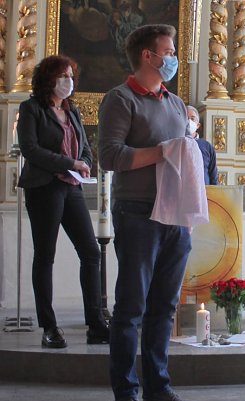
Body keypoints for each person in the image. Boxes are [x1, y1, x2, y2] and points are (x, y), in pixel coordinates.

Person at [98, 24, 192, 401]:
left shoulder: (175, 103)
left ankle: (159, 386)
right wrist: (163, 152)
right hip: (137, 213)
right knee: (132, 307)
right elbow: (109, 156)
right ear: (148, 56)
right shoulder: (120, 99)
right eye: (168, 52)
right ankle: (126, 390)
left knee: (164, 308)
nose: (174, 58)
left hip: (175, 214)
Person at [16, 55, 109, 348]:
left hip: (71, 188)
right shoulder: (31, 108)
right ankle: (49, 327)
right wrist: (69, 161)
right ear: (48, 79)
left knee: (91, 252)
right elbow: (30, 149)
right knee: (45, 257)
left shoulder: (73, 111)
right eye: (63, 75)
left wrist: (81, 161)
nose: (69, 81)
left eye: (71, 76)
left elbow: (85, 148)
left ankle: (95, 323)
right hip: (44, 187)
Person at [186, 105, 218, 185]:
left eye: (192, 119)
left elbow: (213, 174)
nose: (189, 121)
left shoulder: (207, 146)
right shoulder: (175, 144)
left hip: (204, 192)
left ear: (198, 125)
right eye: (186, 118)